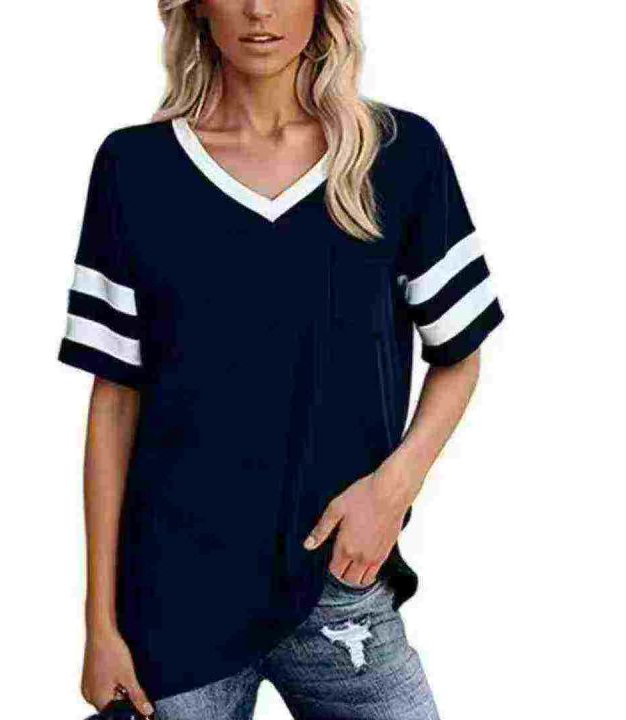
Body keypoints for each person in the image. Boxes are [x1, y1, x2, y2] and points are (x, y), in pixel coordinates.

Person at [57, 1, 505, 718]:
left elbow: (460, 354)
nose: (259, 9)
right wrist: (99, 625)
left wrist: (391, 491)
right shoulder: (134, 169)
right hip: (171, 604)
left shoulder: (400, 155)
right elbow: (114, 402)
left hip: (341, 585)